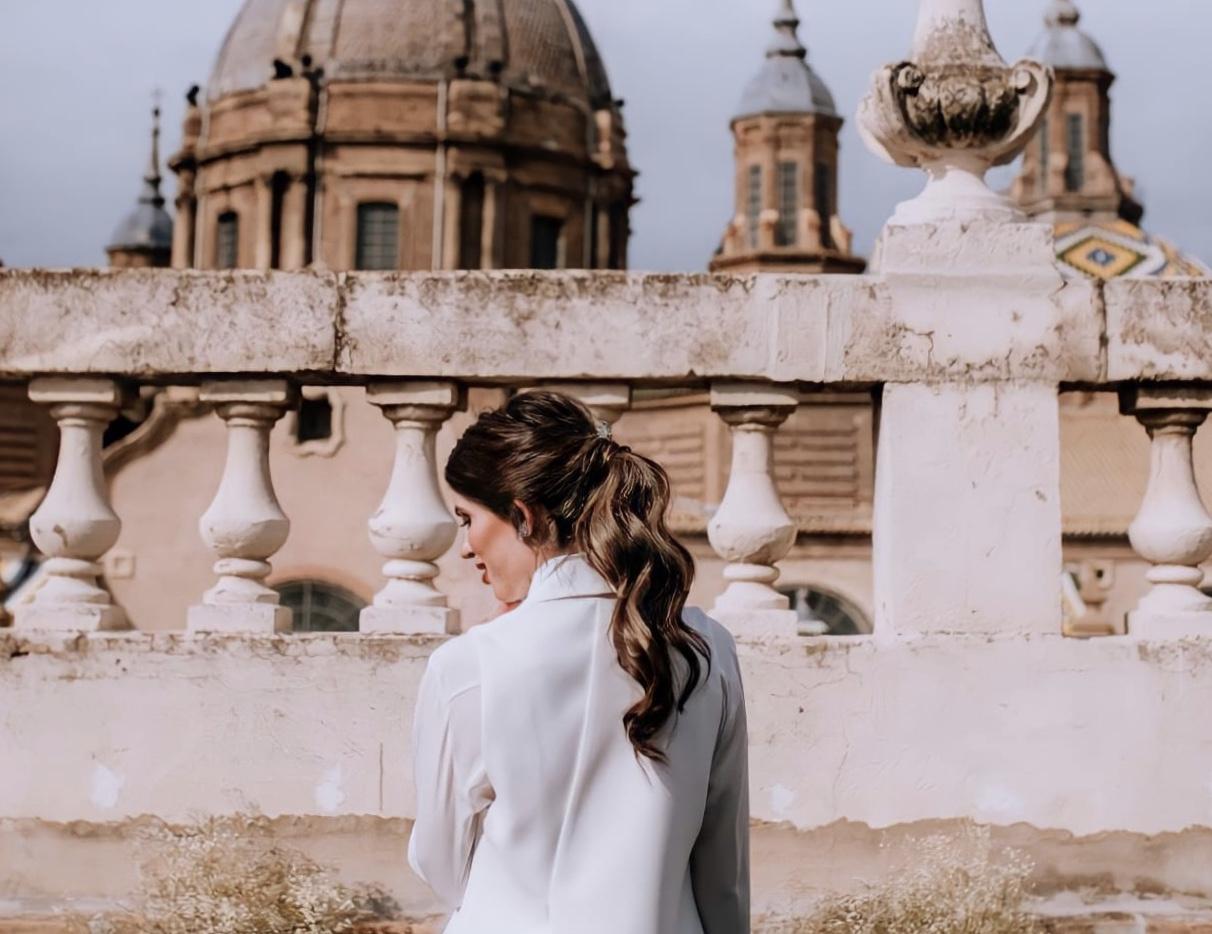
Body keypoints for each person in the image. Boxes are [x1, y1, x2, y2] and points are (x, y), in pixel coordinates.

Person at [408, 391, 750, 934]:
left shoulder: (469, 666)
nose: (467, 547)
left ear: (521, 515)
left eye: (467, 519)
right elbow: (723, 873)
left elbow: (442, 864)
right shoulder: (706, 647)